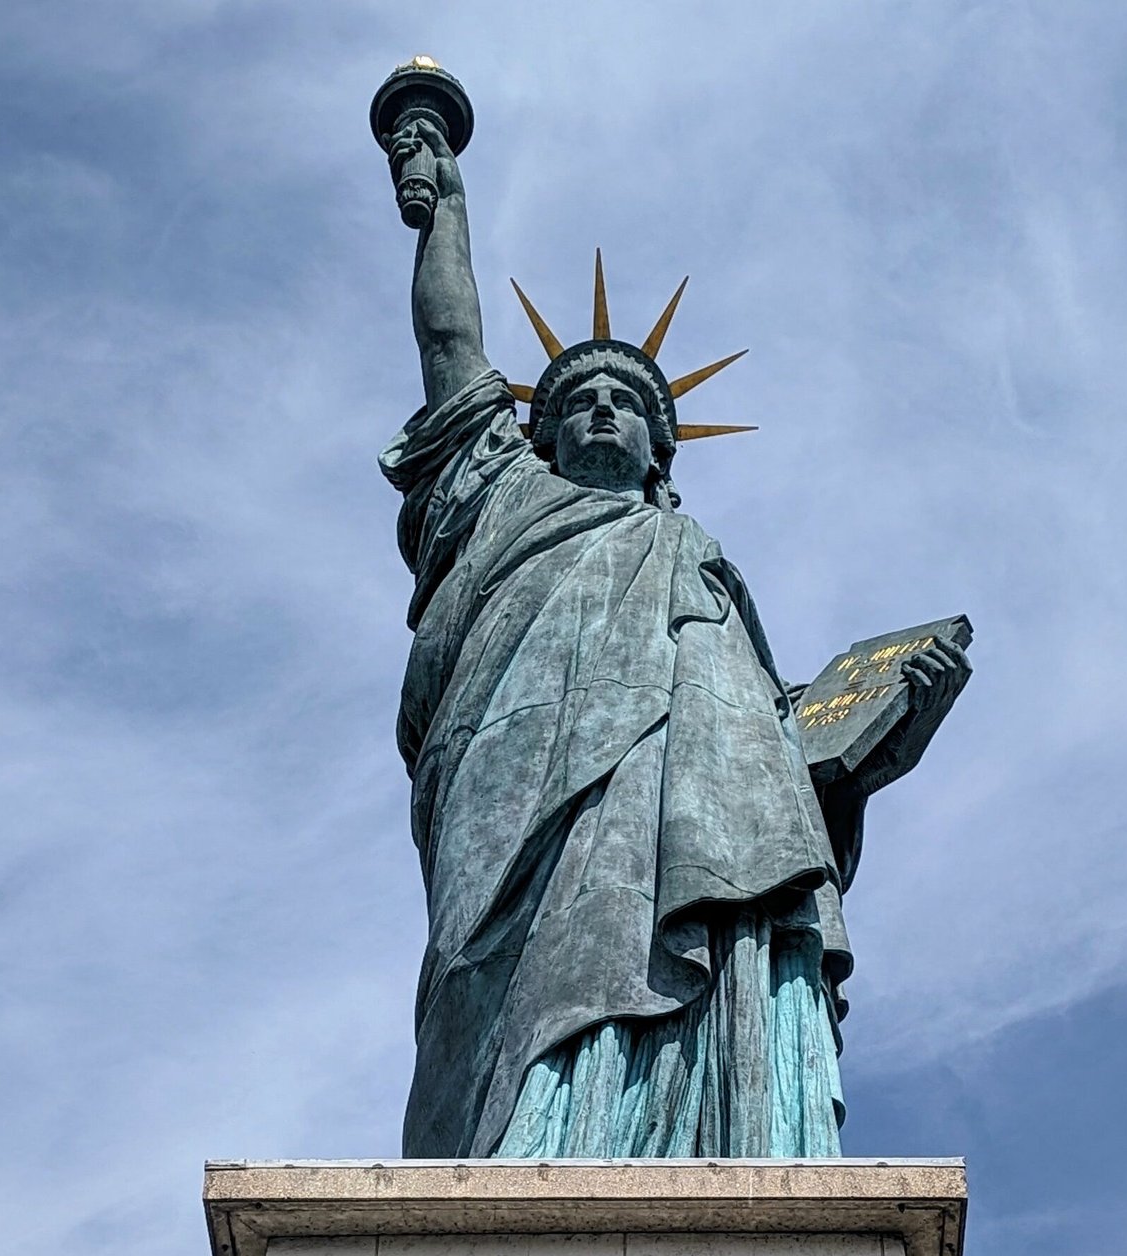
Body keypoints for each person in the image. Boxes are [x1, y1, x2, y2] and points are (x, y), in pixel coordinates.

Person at [378, 118, 968, 1158]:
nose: (601, 411)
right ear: (542, 434)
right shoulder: (497, 495)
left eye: (626, 403)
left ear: (660, 445)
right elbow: (449, 347)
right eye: (578, 401)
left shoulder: (694, 556)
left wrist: (872, 740)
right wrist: (443, 202)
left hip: (682, 834)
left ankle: (674, 1133)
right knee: (497, 985)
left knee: (706, 917)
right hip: (516, 796)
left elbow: (769, 762)